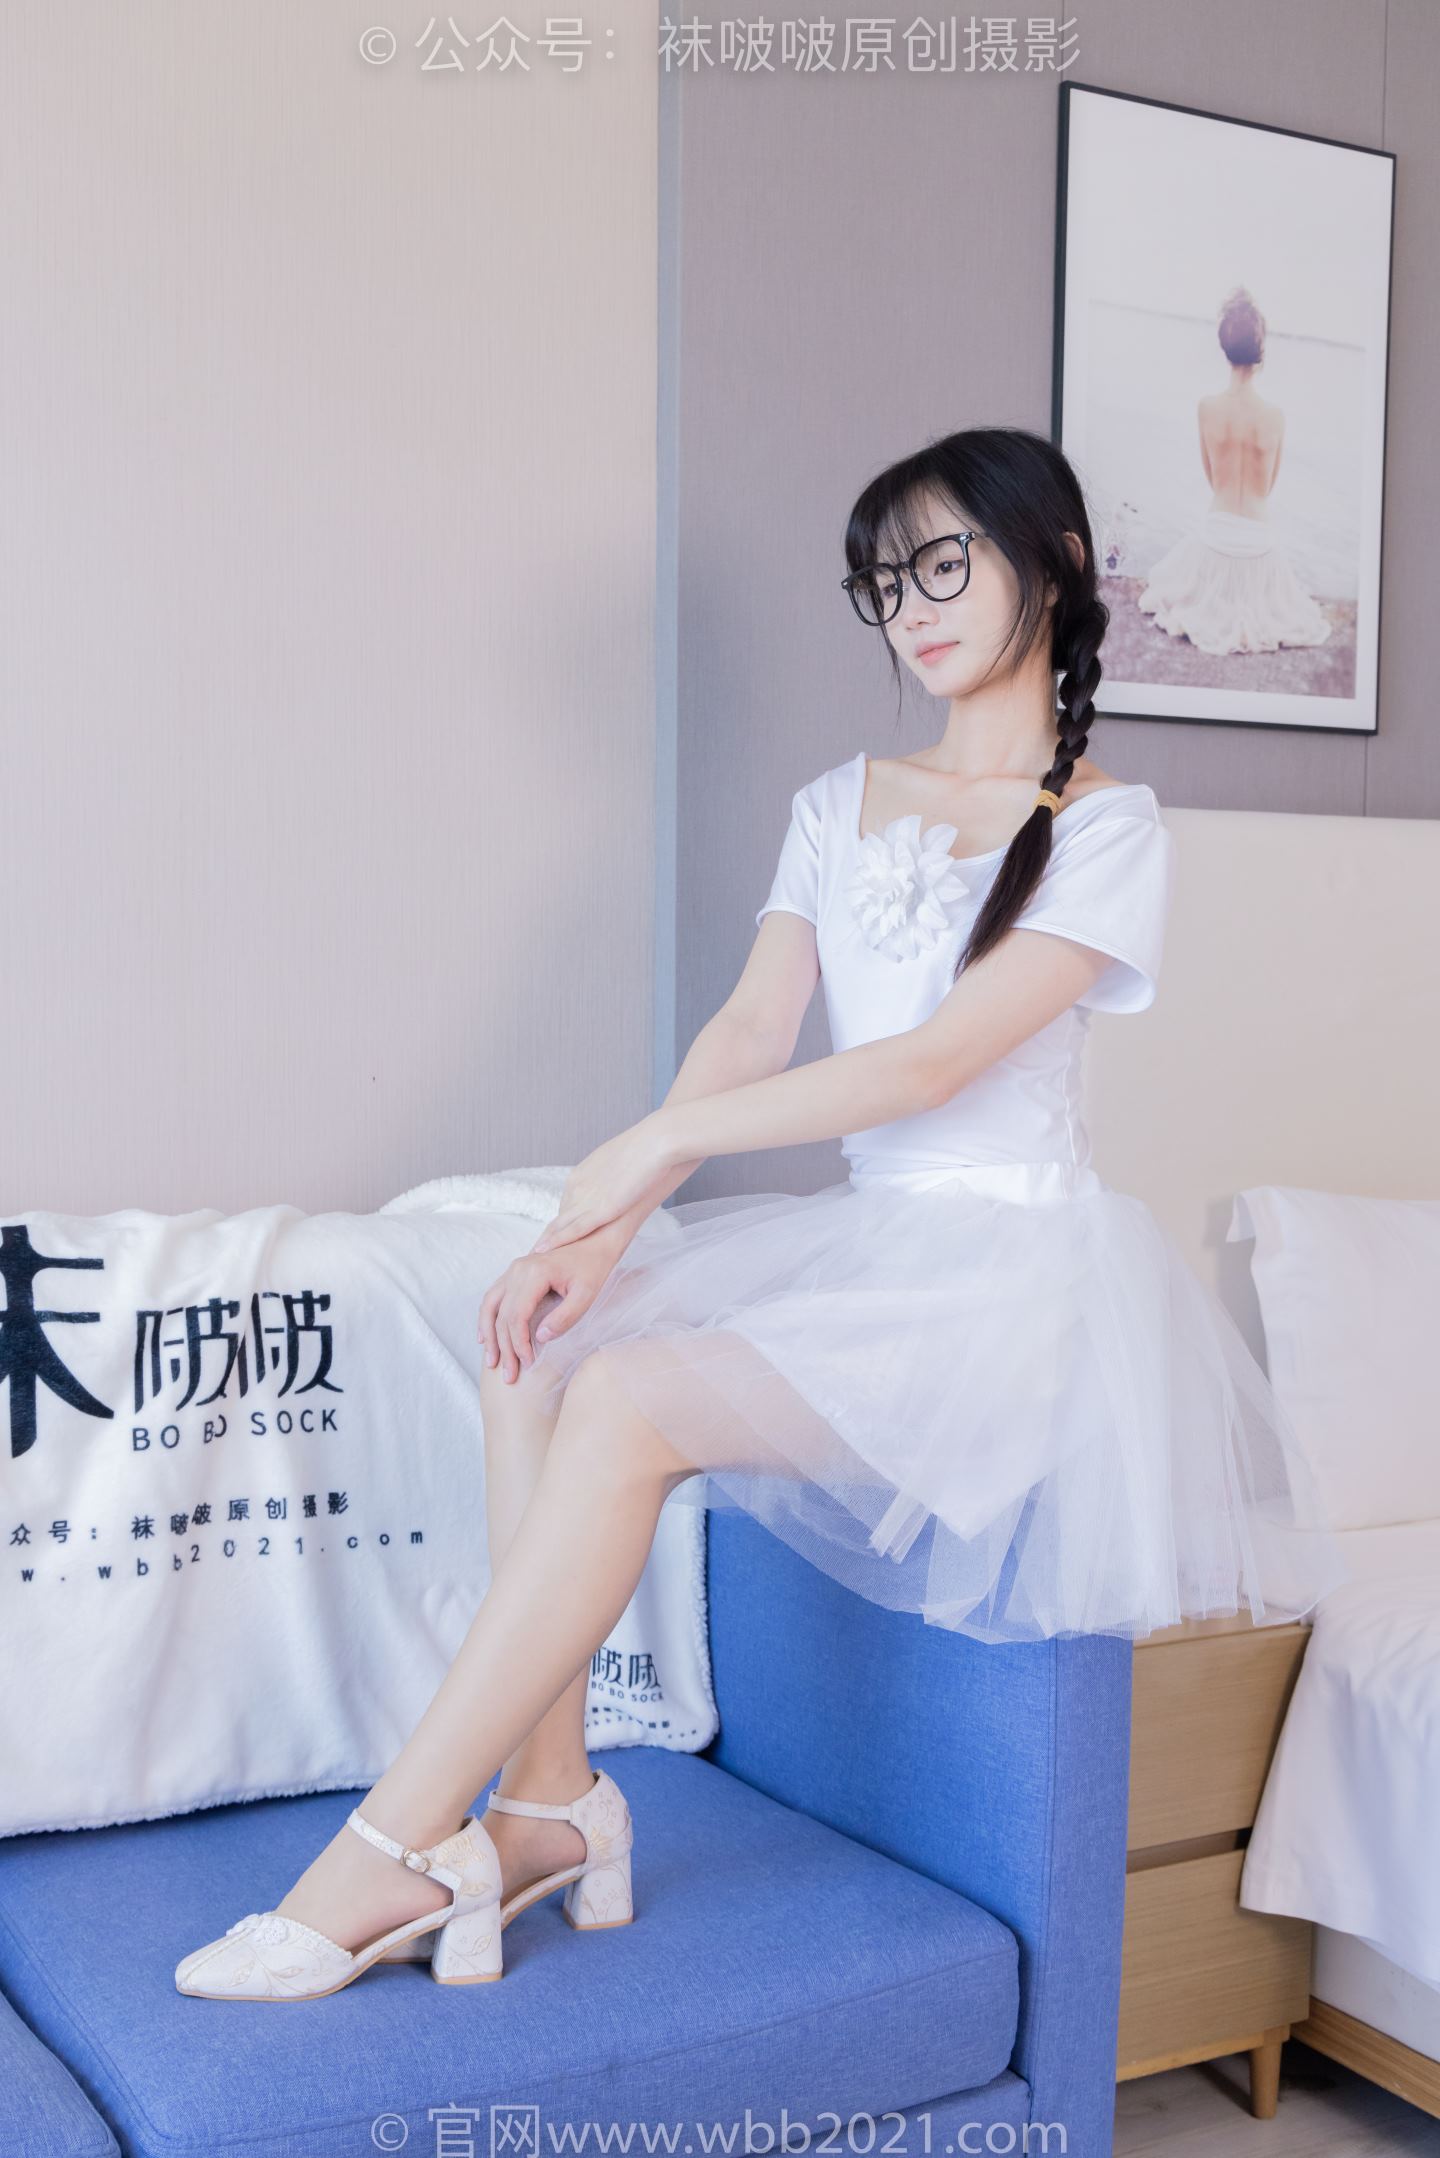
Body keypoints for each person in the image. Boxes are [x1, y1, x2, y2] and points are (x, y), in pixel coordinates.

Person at [174, 424, 1348, 2003]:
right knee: (537, 1350)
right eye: (887, 582)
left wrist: (645, 1147)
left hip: (1013, 1297)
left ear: (1056, 563)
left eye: (945, 564)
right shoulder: (839, 799)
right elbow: (749, 1030)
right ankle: (551, 1801)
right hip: (879, 1256)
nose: (912, 608)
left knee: (629, 1401)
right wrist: (597, 1230)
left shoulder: (1109, 827)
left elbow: (930, 1065)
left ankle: (388, 1842)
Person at [1137, 287, 1332, 656]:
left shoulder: (1207, 408)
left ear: (1224, 347)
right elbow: (1267, 487)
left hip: (1216, 537)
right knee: (1291, 612)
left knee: (1171, 587)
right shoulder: (1274, 417)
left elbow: (1213, 479)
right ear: (1261, 350)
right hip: (1260, 544)